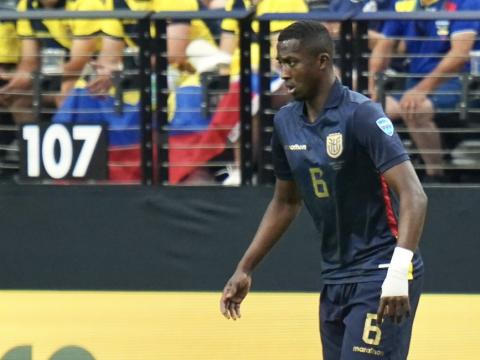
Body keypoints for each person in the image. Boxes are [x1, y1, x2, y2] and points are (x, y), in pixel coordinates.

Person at [220, 21, 427, 360]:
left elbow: (414, 195)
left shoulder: (361, 115)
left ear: (322, 61)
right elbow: (286, 202)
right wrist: (245, 268)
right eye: (280, 63)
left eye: (292, 62)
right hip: (335, 277)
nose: (284, 73)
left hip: (381, 271)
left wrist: (397, 271)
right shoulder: (286, 123)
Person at [369, 0, 480, 181]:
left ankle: (436, 175)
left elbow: (460, 55)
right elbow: (384, 46)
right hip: (414, 84)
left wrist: (421, 91)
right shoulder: (405, 4)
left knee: (415, 108)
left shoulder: (466, 3)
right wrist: (374, 88)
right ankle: (384, 178)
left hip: (458, 84)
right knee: (369, 113)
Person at [0, 0, 105, 124]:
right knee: (18, 99)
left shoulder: (86, 4)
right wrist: (14, 84)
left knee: (67, 92)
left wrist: (38, 76)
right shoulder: (26, 4)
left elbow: (79, 62)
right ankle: (32, 143)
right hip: (53, 72)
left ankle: (70, 141)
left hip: (97, 66)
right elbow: (29, 61)